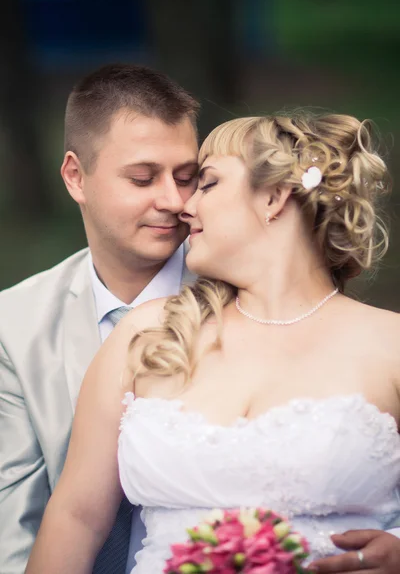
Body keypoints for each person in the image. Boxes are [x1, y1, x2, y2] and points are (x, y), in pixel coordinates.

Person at [26, 113, 400, 574]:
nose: (185, 207)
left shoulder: (390, 346)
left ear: (274, 196)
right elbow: (75, 519)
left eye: (206, 184)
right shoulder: (146, 336)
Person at [0, 63, 199, 574]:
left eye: (186, 177)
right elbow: (11, 523)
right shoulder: (13, 326)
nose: (172, 201)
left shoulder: (245, 298)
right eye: (142, 177)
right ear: (75, 177)